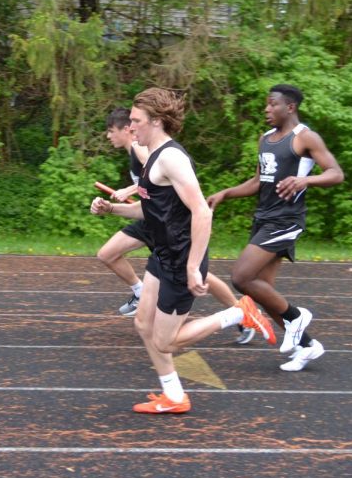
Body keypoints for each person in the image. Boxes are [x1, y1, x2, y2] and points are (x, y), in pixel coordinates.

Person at [91, 88, 275, 414]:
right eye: (130, 122)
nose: (130, 128)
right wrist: (112, 211)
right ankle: (174, 396)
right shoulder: (152, 157)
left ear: (157, 121)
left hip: (179, 258)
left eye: (136, 121)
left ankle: (239, 312)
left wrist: (192, 268)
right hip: (162, 254)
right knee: (143, 326)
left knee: (166, 341)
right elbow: (150, 211)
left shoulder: (171, 158)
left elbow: (202, 211)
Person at [207, 84, 344, 372]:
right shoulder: (266, 139)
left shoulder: (305, 137)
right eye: (266, 105)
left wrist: (305, 181)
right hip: (264, 218)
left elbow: (335, 173)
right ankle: (307, 345)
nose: (267, 110)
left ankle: (297, 317)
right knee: (263, 291)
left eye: (272, 104)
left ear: (290, 107)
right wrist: (226, 193)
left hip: (286, 219)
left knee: (241, 277)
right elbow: (259, 182)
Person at [97, 107, 255, 344]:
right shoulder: (139, 149)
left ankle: (241, 312)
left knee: (198, 276)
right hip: (152, 216)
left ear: (128, 129)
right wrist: (115, 206)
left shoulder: (142, 149)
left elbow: (155, 176)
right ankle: (142, 294)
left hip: (162, 223)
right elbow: (150, 185)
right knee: (108, 254)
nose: (109, 136)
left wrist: (128, 191)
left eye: (112, 131)